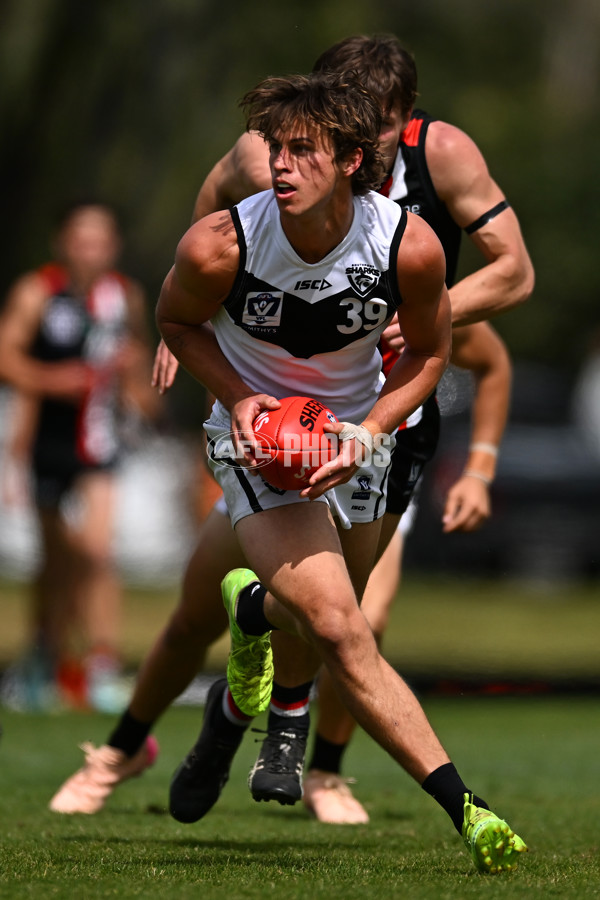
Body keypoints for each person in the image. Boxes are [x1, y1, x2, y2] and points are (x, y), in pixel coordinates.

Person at [48, 34, 527, 830]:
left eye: (308, 148)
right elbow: (190, 272)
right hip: (259, 434)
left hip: (364, 434)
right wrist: (202, 351)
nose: (280, 164)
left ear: (379, 136)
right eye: (279, 147)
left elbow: (475, 328)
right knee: (275, 616)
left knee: (339, 616)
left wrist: (390, 416)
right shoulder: (243, 208)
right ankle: (133, 748)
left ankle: (277, 717)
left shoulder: (414, 230)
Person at [0, 201, 160, 712]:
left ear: (112, 247)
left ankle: (102, 667)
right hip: (48, 445)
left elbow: (137, 377)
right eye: (80, 239)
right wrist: (52, 381)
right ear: (62, 243)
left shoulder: (125, 297)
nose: (90, 250)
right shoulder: (36, 292)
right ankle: (43, 660)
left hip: (100, 445)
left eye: (100, 240)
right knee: (54, 562)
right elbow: (7, 356)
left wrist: (150, 398)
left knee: (95, 551)